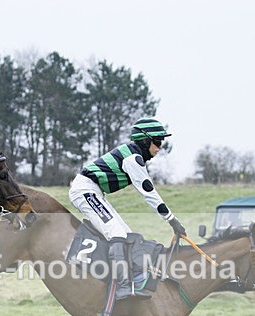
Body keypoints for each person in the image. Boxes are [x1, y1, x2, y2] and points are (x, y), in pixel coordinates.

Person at [69, 117, 185, 300]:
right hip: (85, 190)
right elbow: (148, 192)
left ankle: (134, 281)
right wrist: (172, 220)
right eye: (158, 141)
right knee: (117, 233)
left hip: (94, 191)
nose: (160, 146)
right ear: (146, 140)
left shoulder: (134, 155)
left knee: (128, 235)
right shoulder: (133, 159)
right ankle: (121, 287)